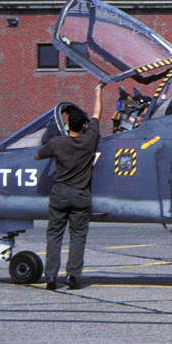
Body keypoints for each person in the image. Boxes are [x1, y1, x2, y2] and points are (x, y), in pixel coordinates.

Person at [36, 107, 101, 290]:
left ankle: (50, 277)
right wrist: (99, 91)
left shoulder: (57, 143)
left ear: (67, 125)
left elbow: (37, 155)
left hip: (60, 193)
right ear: (83, 125)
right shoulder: (89, 141)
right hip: (80, 194)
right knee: (78, 237)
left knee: (54, 236)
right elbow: (96, 114)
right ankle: (72, 276)